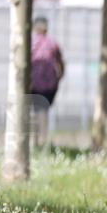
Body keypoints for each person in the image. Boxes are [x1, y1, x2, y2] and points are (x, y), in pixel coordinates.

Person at [30, 16, 65, 148]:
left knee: (35, 111)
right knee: (43, 110)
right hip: (49, 85)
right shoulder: (52, 43)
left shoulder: (30, 43)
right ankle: (42, 141)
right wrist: (59, 77)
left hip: (33, 84)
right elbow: (61, 63)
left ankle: (35, 141)